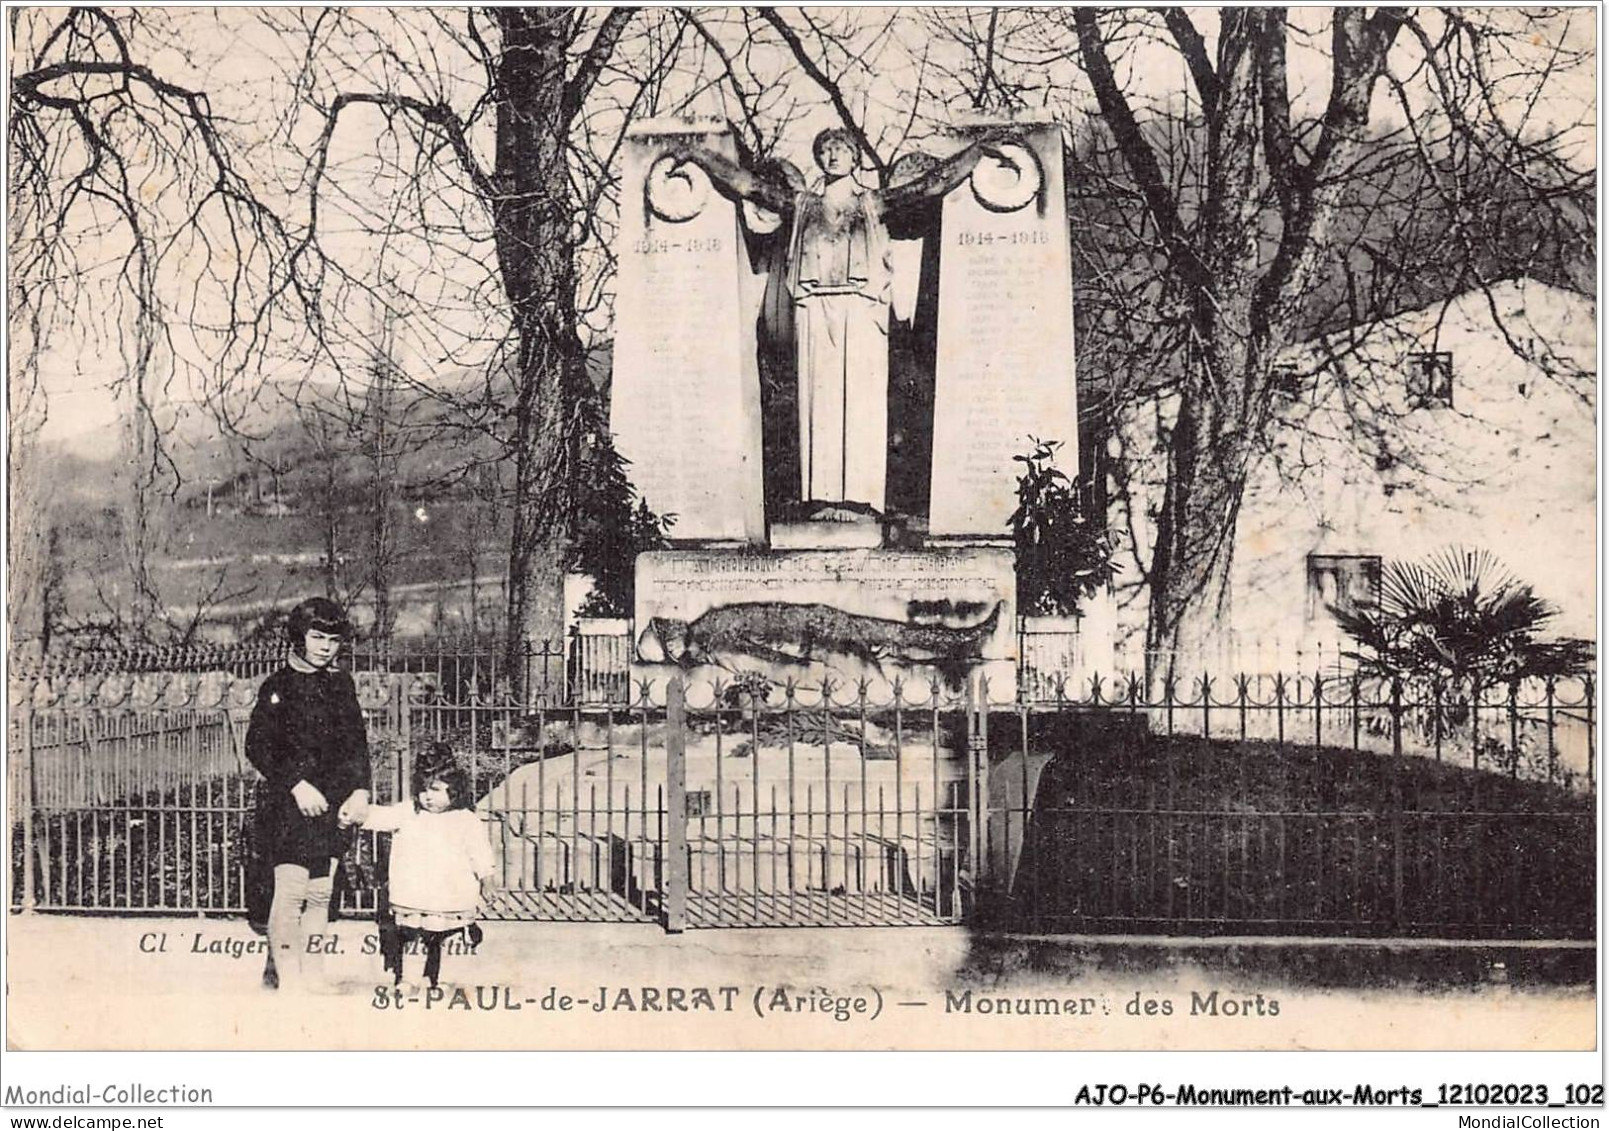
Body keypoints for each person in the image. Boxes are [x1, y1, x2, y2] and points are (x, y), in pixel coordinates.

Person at [666, 126, 1024, 514]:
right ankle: (819, 500)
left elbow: (928, 188)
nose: (833, 156)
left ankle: (862, 499)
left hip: (861, 309)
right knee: (818, 403)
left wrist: (974, 154)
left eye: (841, 149)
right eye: (826, 150)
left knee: (861, 402)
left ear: (855, 157)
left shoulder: (872, 203)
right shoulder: (802, 205)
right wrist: (701, 156)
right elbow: (748, 186)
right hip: (815, 308)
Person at [244, 597, 371, 993]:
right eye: (317, 637)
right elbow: (259, 747)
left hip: (333, 805)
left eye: (333, 640)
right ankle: (288, 975)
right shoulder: (277, 687)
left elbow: (356, 743)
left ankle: (313, 973)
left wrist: (361, 790)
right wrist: (297, 785)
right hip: (289, 805)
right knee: (292, 891)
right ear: (299, 637)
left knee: (321, 893)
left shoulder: (341, 683)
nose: (325, 647)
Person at [348, 743, 496, 990]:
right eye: (423, 790)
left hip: (452, 894)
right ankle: (408, 979)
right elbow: (380, 817)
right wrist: (358, 813)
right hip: (415, 893)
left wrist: (487, 879)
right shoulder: (409, 812)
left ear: (454, 790)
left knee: (452, 938)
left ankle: (445, 981)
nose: (428, 796)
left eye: (436, 789)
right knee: (413, 937)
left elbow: (480, 853)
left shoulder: (466, 820)